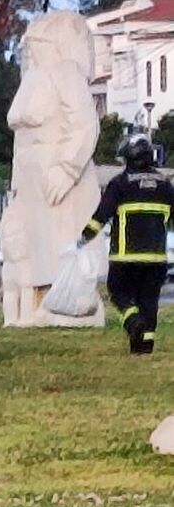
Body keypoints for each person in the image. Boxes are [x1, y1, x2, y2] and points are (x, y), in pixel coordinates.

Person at [81, 135, 174, 354]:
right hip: (156, 259)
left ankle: (133, 322)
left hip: (125, 257)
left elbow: (101, 216)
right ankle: (144, 348)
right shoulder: (165, 185)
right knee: (149, 301)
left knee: (118, 293)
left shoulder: (120, 184)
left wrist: (85, 237)